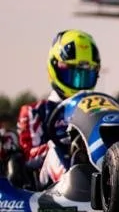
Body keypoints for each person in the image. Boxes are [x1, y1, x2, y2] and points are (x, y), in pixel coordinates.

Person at [16, 29, 101, 188]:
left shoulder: (98, 109)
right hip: (46, 186)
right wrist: (68, 147)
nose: (78, 83)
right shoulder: (35, 111)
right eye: (73, 75)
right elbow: (29, 157)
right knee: (54, 150)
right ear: (54, 68)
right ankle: (79, 186)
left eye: (85, 76)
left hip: (95, 172)